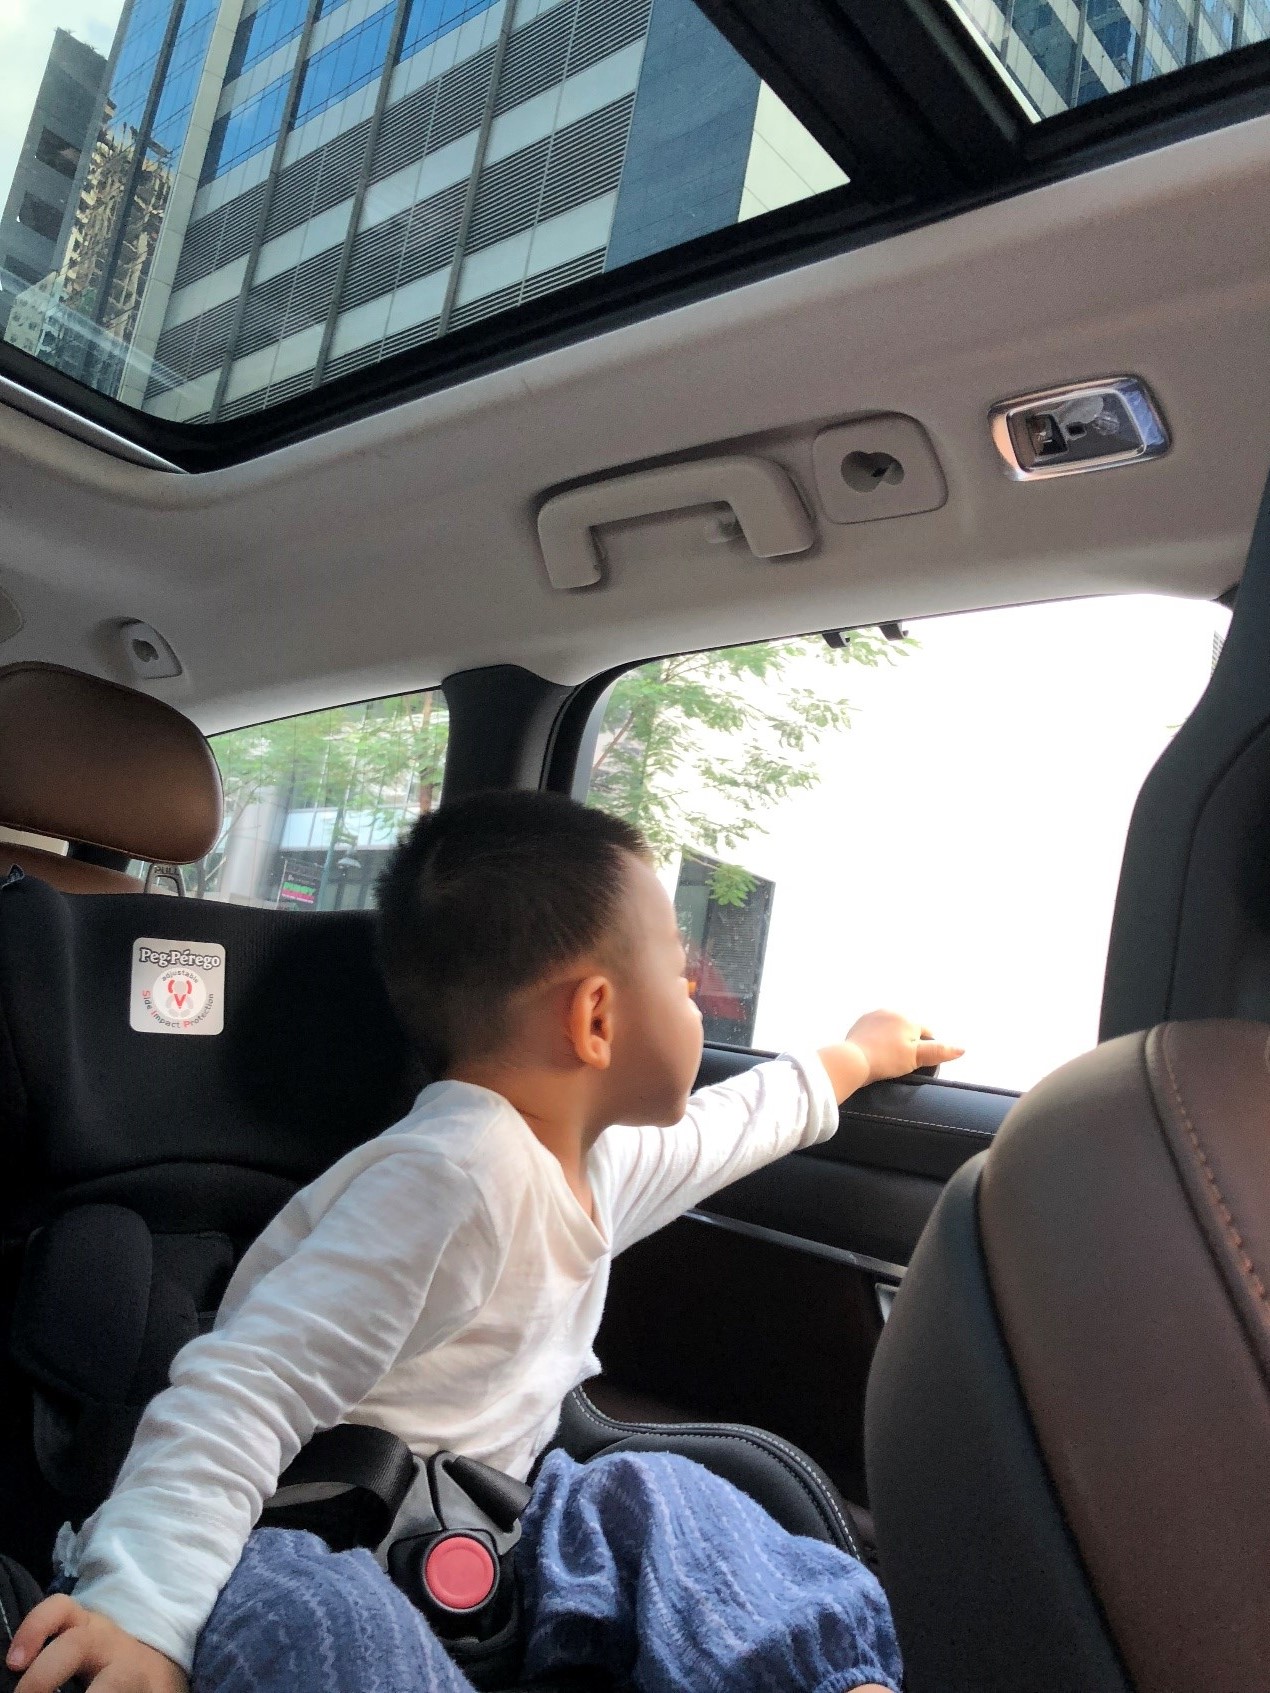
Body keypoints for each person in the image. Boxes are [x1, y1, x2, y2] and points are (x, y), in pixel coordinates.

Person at [7, 791, 962, 1693]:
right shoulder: (453, 1175)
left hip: (495, 1524)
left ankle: (826, 1674)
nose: (699, 1002)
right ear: (596, 1017)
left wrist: (854, 1058)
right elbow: (247, 1385)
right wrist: (143, 1609)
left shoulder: (592, 1159)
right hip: (302, 1531)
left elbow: (726, 1129)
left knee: (656, 1493)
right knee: (324, 1624)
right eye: (681, 976)